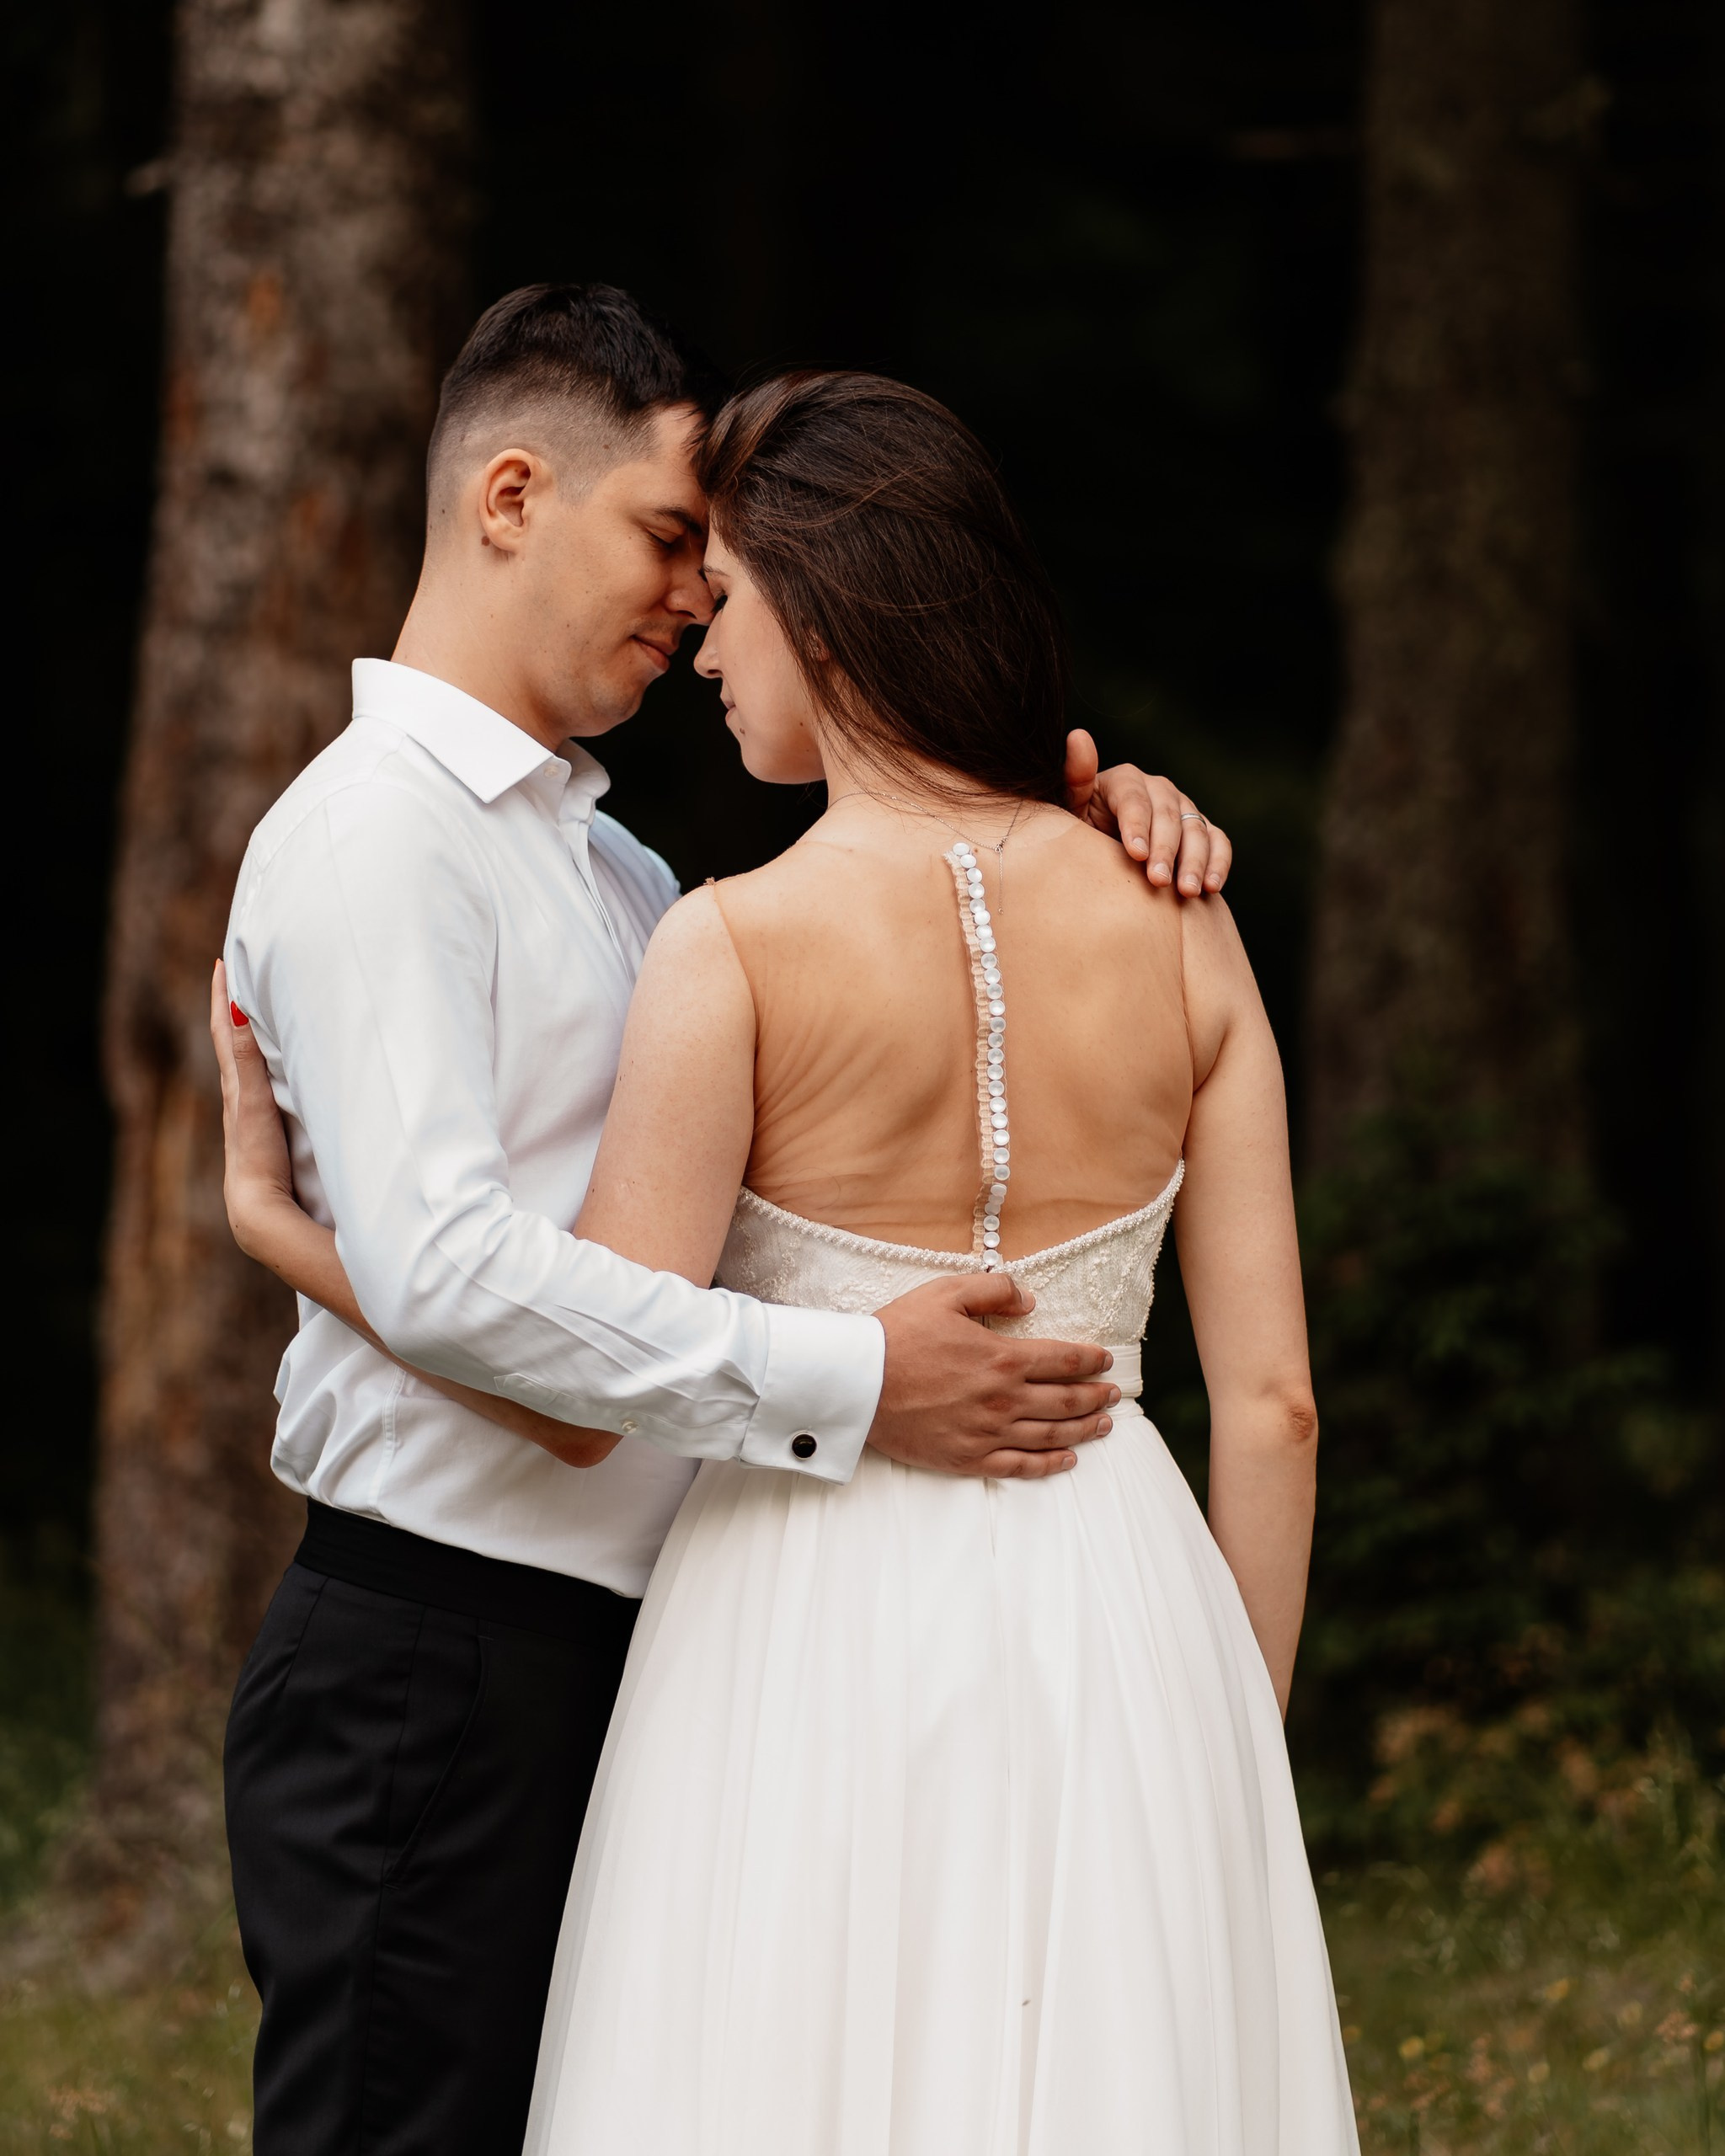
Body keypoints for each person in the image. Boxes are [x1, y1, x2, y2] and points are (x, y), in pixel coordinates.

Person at [221, 363, 1354, 2150]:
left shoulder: (714, 931)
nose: (701, 633)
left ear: (827, 615)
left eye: (726, 587)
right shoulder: (1181, 922)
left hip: (802, 1617)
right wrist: (1225, 1727)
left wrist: (290, 1232)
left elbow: (590, 1385)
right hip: (1124, 1608)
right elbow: (1275, 1405)